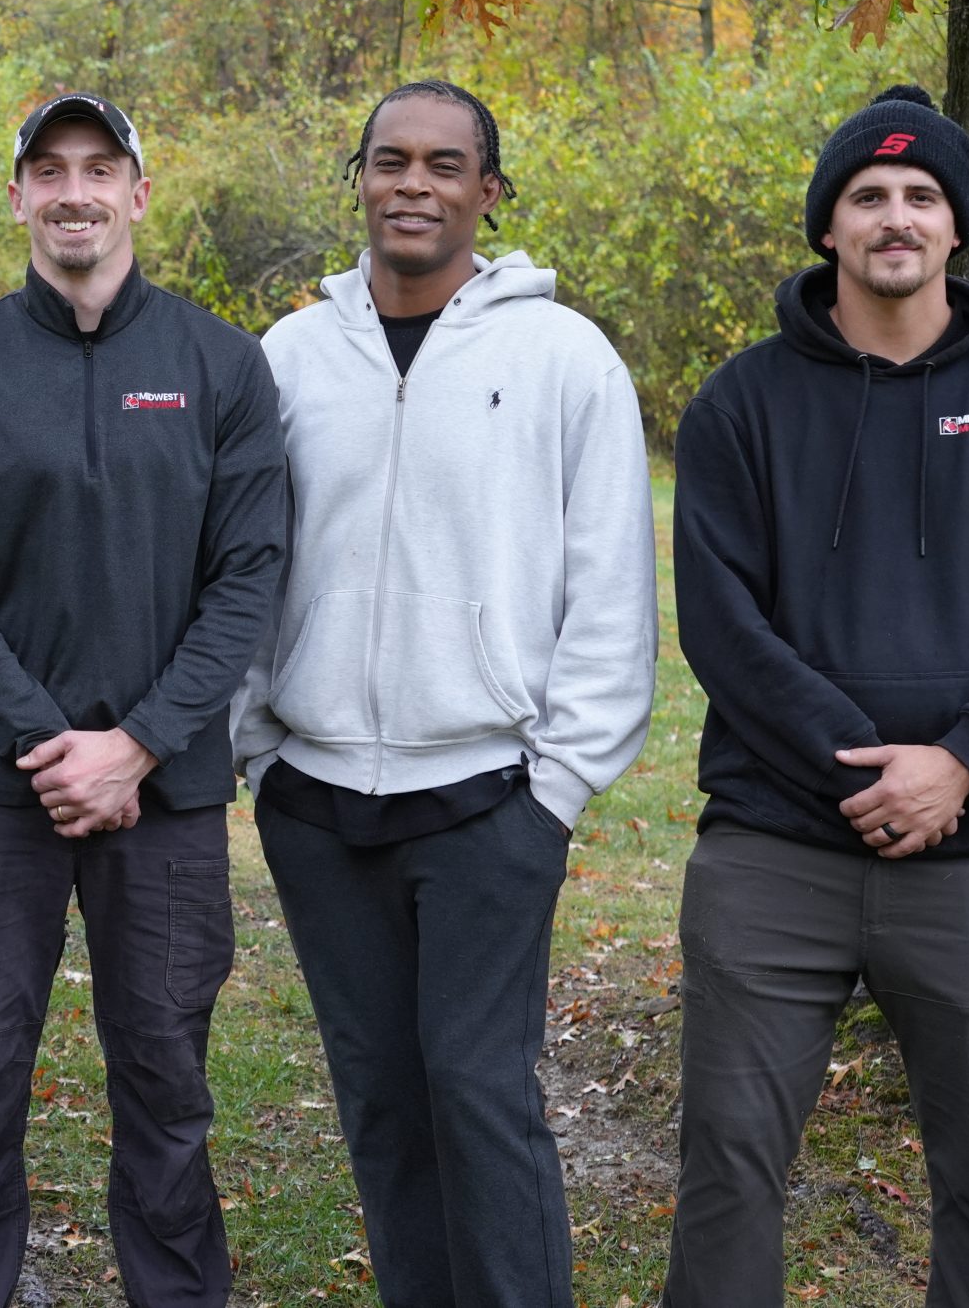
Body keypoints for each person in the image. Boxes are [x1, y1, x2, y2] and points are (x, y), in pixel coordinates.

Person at [663, 84, 969, 1306]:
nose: (895, 217)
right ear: (827, 226)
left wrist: (957, 765)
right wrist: (864, 767)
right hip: (773, 847)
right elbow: (721, 624)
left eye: (922, 196)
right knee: (726, 1173)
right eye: (867, 195)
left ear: (957, 227)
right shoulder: (740, 405)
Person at [231, 79, 657, 1308]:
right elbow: (250, 567)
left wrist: (557, 789)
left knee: (477, 1092)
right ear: (358, 178)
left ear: (487, 189)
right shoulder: (289, 358)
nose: (411, 184)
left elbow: (611, 589)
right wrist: (261, 750)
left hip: (486, 801)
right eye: (388, 160)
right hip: (315, 802)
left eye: (443, 164)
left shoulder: (562, 356)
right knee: (378, 1100)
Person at [0, 93, 290, 1308]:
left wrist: (136, 745)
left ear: (139, 194)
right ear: (17, 196)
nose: (75, 192)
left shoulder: (219, 365)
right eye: (49, 171)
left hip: (164, 801)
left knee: (168, 1089)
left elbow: (246, 578)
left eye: (99, 169)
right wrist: (44, 743)